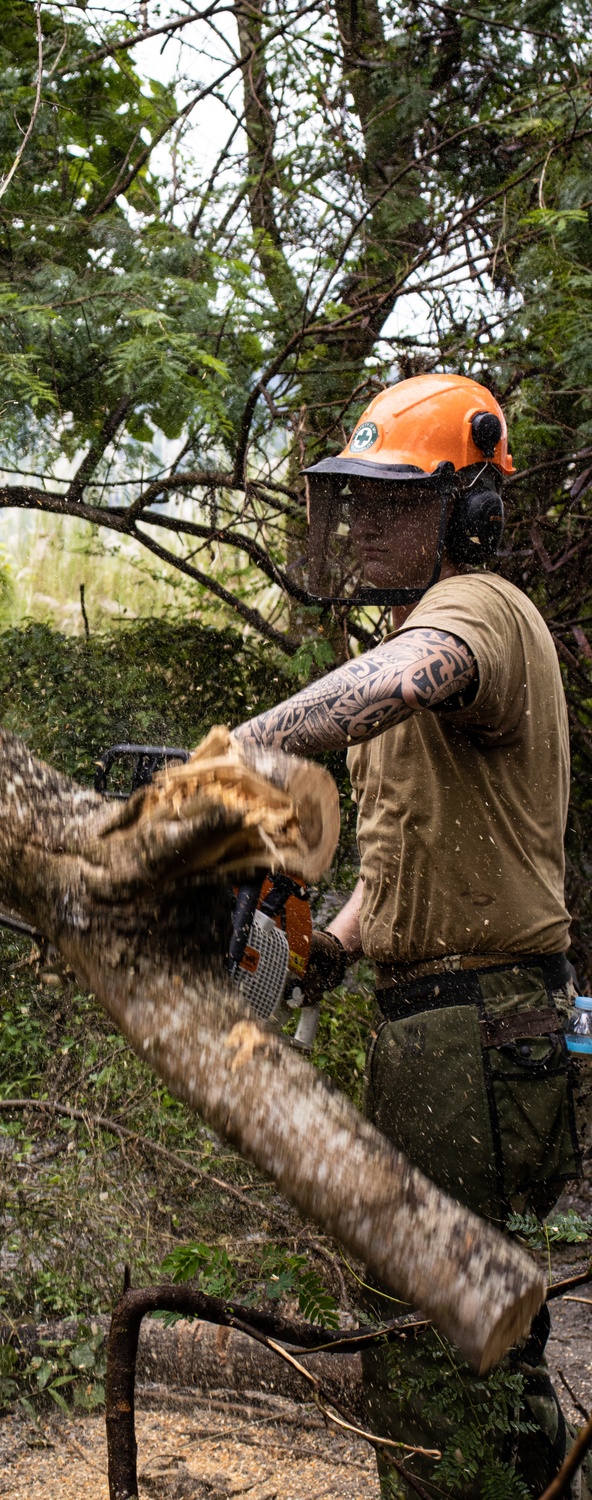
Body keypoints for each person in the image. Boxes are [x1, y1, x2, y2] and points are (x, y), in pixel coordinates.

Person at [232, 372, 582, 1498]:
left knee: (446, 1363)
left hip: (479, 1032)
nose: (370, 522)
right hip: (440, 1025)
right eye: (361, 502)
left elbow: (409, 678)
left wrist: (235, 755)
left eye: (396, 502)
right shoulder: (406, 630)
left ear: (468, 511)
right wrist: (317, 944)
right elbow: (392, 873)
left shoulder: (473, 612)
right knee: (452, 1347)